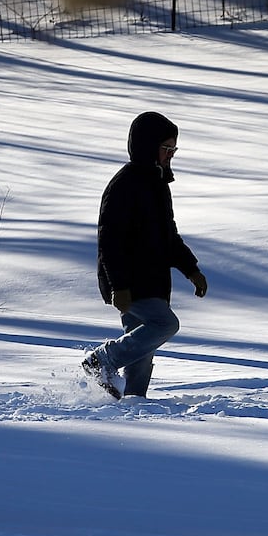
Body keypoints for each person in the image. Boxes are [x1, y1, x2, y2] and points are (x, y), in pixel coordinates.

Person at [82, 111, 207, 399]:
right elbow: (109, 240)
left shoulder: (158, 184)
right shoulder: (125, 184)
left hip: (152, 279)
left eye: (174, 149)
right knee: (165, 324)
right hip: (130, 282)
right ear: (148, 145)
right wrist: (118, 286)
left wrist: (191, 269)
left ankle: (132, 403)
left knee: (141, 350)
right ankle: (101, 361)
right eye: (166, 148)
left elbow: (168, 236)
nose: (171, 155)